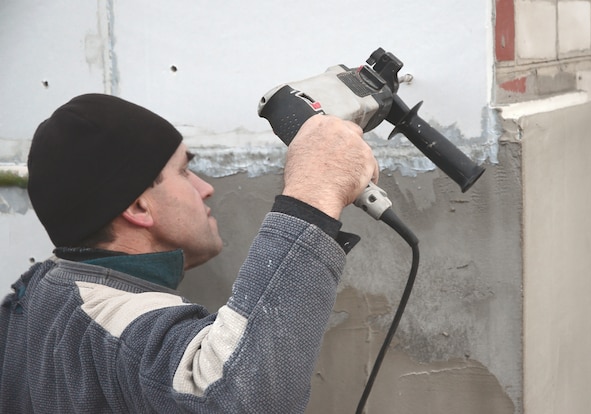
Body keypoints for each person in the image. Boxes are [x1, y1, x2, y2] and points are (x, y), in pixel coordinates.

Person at [0, 93, 378, 413]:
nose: (205, 188)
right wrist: (312, 195)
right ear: (138, 209)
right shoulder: (110, 321)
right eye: (184, 171)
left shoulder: (37, 294)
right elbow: (239, 395)